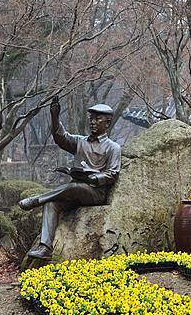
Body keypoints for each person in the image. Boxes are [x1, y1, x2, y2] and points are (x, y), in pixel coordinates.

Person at [19, 97, 121, 260]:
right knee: (51, 204)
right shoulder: (80, 141)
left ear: (107, 122)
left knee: (75, 187)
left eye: (97, 119)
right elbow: (61, 137)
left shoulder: (113, 148)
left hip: (95, 193)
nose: (93, 122)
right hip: (75, 192)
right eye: (91, 119)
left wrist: (92, 177)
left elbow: (112, 174)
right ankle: (45, 247)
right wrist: (55, 116)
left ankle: (36, 199)